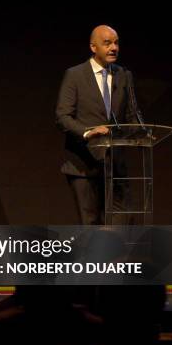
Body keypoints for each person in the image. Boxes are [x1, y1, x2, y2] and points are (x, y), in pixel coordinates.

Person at [56, 24, 143, 224]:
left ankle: (115, 256)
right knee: (91, 226)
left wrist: (141, 132)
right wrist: (87, 133)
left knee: (121, 224)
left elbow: (132, 114)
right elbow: (62, 117)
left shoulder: (124, 75)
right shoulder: (75, 75)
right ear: (93, 47)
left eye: (116, 43)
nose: (114, 48)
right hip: (83, 165)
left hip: (115, 166)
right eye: (107, 43)